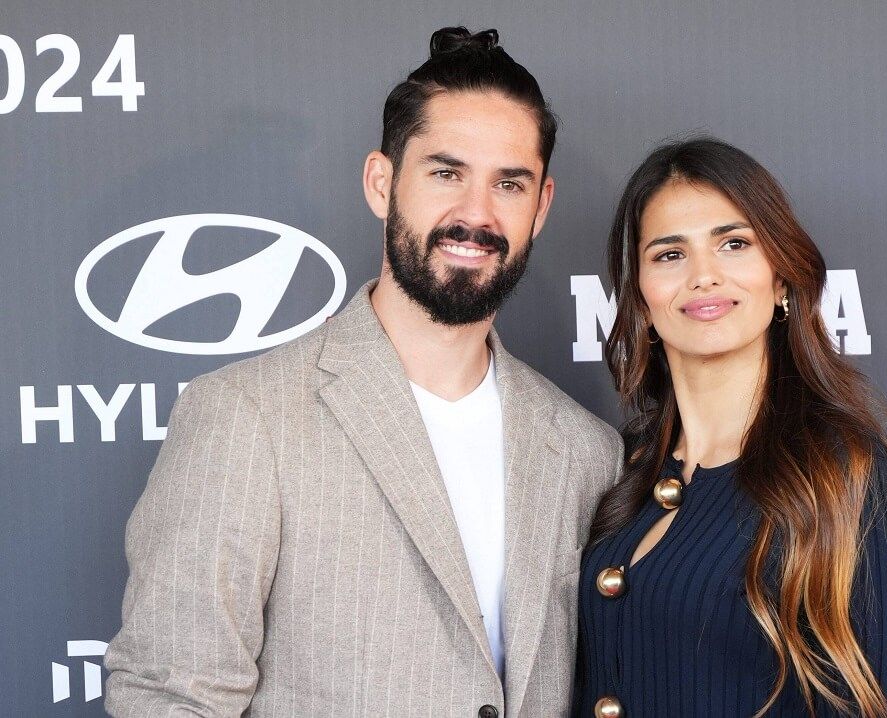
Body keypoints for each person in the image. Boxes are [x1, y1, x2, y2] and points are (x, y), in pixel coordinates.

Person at [104, 27, 621, 717]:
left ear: (542, 206)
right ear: (382, 183)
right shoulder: (245, 418)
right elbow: (169, 697)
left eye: (509, 183)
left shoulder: (585, 449)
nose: (477, 212)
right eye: (446, 172)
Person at [574, 137, 887, 717]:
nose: (704, 276)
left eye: (733, 244)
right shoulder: (619, 464)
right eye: (669, 255)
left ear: (781, 278)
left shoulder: (842, 471)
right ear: (639, 294)